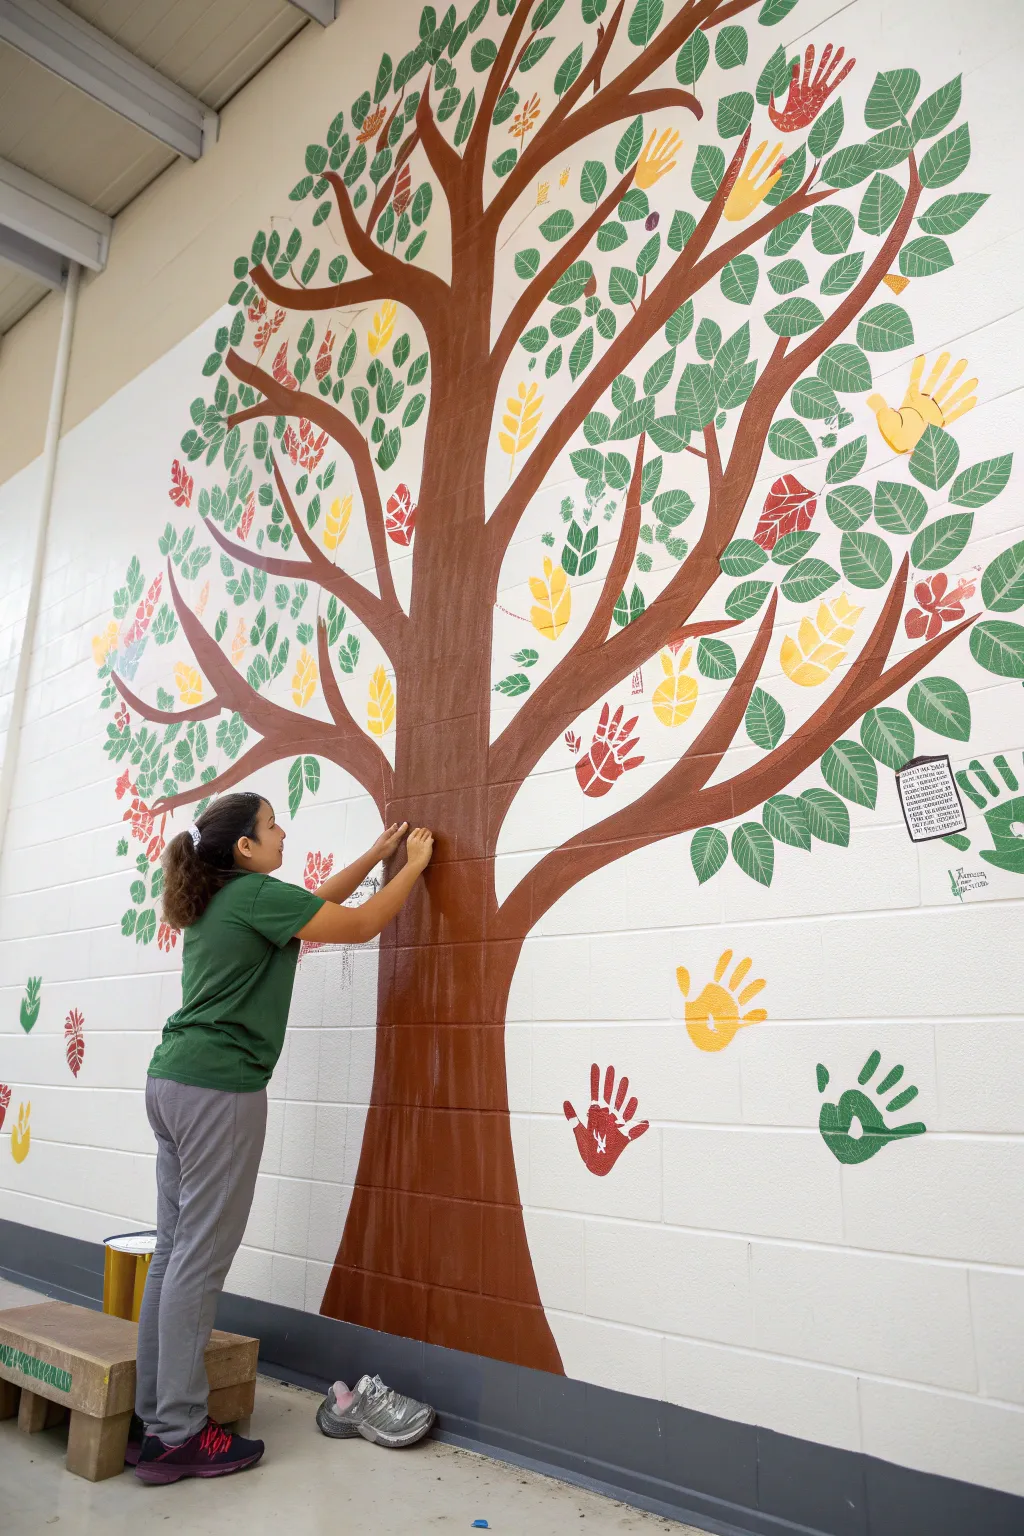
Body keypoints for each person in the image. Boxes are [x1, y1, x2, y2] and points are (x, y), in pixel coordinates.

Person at [130, 791, 433, 1484]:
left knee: (175, 1255)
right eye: (271, 825)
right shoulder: (253, 896)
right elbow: (354, 926)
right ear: (245, 847)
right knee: (197, 1264)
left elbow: (316, 905)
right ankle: (179, 1432)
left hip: (172, 1081)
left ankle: (154, 1425)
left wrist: (375, 856)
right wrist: (412, 868)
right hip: (219, 1092)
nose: (282, 830)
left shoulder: (225, 899)